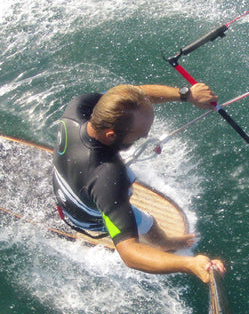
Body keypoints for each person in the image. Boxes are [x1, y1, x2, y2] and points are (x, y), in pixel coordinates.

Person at [52, 83, 226, 283]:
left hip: (63, 181)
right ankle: (165, 243)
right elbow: (130, 253)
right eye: (138, 136)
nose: (144, 137)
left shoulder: (79, 107)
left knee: (104, 189)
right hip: (84, 216)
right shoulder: (108, 176)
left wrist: (186, 94)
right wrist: (190, 264)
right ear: (111, 134)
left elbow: (133, 96)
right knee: (147, 222)